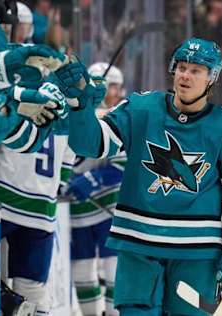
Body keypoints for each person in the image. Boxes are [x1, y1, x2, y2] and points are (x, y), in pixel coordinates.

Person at [57, 38, 222, 315]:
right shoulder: (140, 108)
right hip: (138, 246)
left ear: (212, 78)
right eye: (182, 68)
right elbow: (90, 144)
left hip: (196, 253)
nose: (185, 75)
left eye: (196, 70)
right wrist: (79, 108)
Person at [67, 62, 126, 316]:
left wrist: (89, 180)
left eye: (115, 86)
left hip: (108, 206)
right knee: (81, 270)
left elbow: (120, 166)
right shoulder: (74, 113)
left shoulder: (117, 116)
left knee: (113, 267)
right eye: (108, 85)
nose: (112, 91)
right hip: (76, 208)